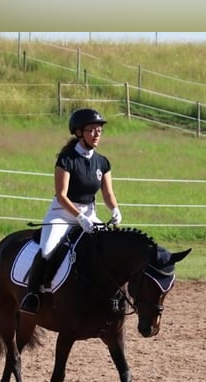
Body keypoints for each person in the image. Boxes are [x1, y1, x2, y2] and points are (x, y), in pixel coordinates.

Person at [20, 108, 123, 315]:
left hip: (90, 214)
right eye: (92, 130)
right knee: (48, 249)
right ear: (79, 132)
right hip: (63, 213)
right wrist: (79, 217)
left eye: (99, 131)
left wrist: (115, 209)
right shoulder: (67, 159)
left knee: (107, 249)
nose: (96, 134)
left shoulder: (102, 162)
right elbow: (61, 195)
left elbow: (108, 193)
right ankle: (33, 294)